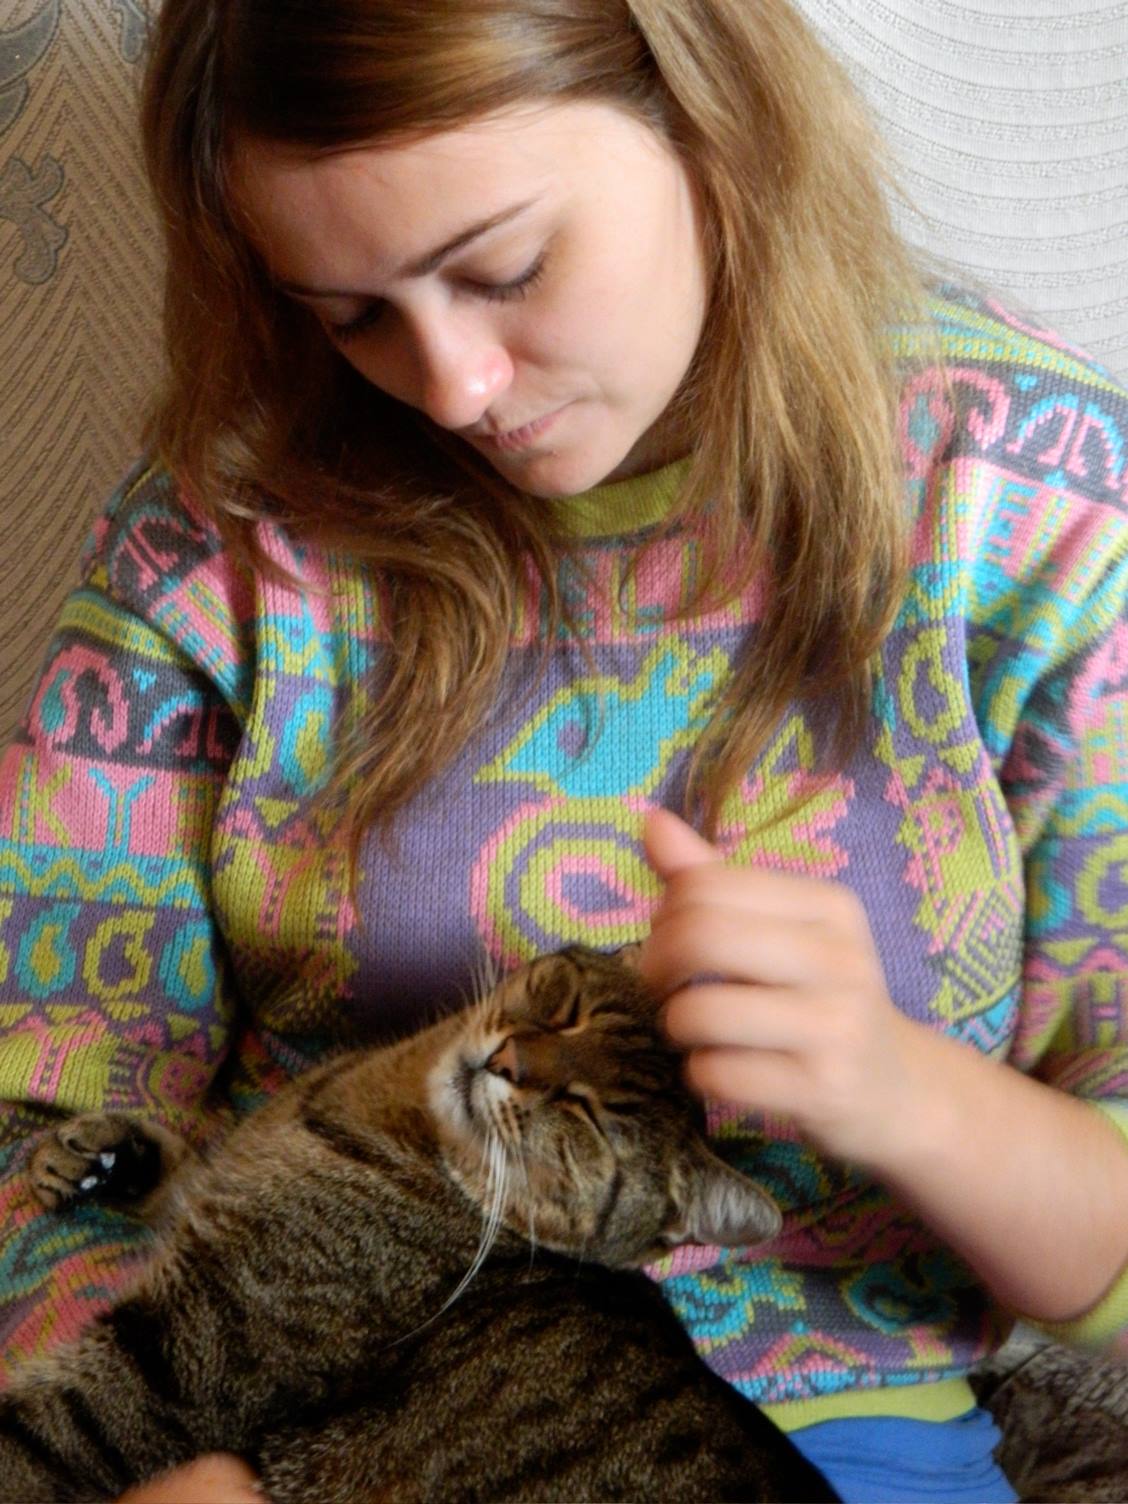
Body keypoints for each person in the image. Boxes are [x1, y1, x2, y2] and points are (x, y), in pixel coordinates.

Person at [1, 1, 1126, 1500]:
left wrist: (904, 1092)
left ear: (705, 115)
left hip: (832, 1439)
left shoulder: (1031, 497)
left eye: (506, 269)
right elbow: (42, 1107)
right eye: (352, 314)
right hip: (284, 1390)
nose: (454, 386)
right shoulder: (223, 533)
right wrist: (148, 1443)